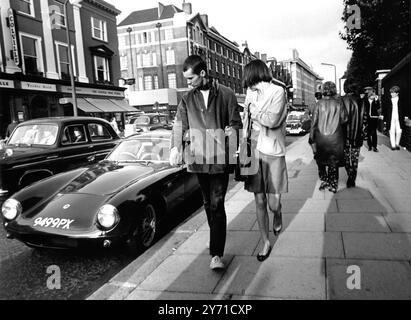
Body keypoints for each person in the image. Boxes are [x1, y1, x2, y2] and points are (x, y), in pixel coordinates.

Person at [169, 55, 242, 270]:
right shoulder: (187, 99)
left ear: (202, 73)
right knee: (208, 205)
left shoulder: (227, 95)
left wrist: (231, 133)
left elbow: (236, 123)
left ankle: (216, 254)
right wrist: (175, 147)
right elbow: (178, 125)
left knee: (217, 204)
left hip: (219, 160)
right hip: (198, 159)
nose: (188, 83)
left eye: (190, 78)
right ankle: (216, 239)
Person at [242, 59, 288, 262]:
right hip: (253, 150)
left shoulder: (278, 92)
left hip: (273, 151)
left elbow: (271, 121)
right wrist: (242, 143)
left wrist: (254, 111)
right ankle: (265, 242)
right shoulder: (250, 94)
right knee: (259, 200)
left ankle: (278, 214)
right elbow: (246, 119)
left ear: (253, 74)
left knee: (273, 203)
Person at [309, 81, 348, 193]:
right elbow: (345, 119)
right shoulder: (338, 103)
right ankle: (333, 184)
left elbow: (314, 123)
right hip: (335, 138)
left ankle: (324, 180)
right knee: (333, 162)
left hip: (320, 138)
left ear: (323, 90)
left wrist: (311, 139)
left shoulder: (318, 104)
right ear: (334, 90)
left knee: (320, 160)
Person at [340, 81, 364, 188]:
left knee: (345, 158)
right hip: (357, 134)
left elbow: (339, 118)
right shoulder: (360, 101)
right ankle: (352, 178)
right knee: (355, 158)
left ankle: (349, 173)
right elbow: (365, 118)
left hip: (343, 135)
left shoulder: (341, 100)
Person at [385, 85, 405, 151]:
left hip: (399, 118)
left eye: (393, 92)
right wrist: (385, 120)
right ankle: (393, 145)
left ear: (397, 93)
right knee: (391, 131)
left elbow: (405, 109)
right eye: (391, 92)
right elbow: (385, 110)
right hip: (391, 117)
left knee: (399, 131)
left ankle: (397, 144)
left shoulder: (401, 100)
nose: (391, 94)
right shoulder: (388, 100)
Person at [363, 87, 381, 152]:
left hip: (374, 117)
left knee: (374, 132)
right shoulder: (365, 99)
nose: (367, 92)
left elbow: (378, 108)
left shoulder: (376, 99)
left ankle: (375, 147)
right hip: (367, 118)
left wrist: (376, 101)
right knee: (368, 132)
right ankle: (370, 146)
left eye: (368, 91)